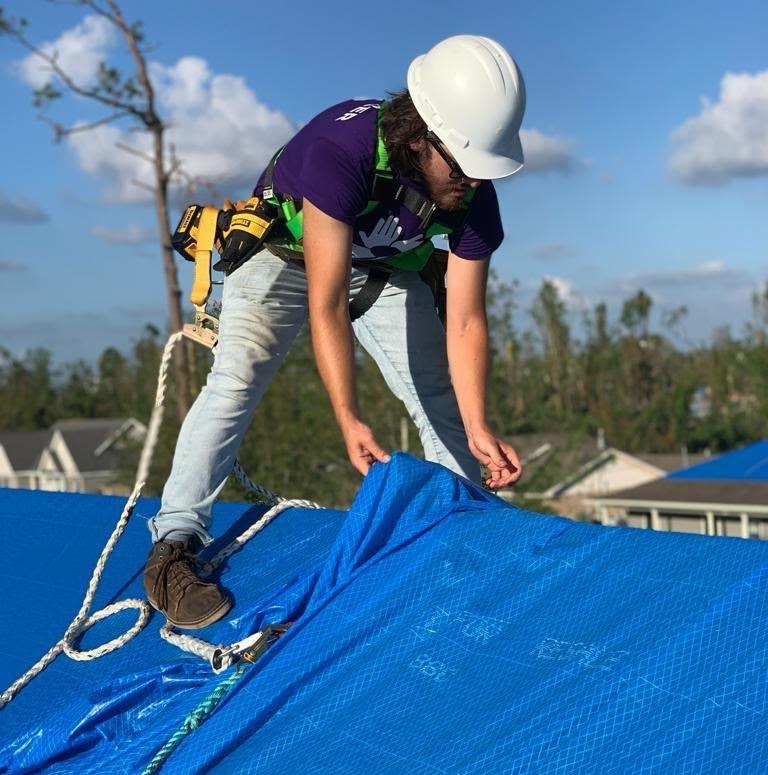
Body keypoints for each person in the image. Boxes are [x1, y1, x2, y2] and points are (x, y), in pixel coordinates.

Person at [144, 34, 527, 629]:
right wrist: (347, 418)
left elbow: (468, 317)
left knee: (440, 398)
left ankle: (469, 534)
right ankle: (173, 546)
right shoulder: (341, 149)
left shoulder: (471, 193)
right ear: (420, 137)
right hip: (289, 254)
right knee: (238, 376)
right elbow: (325, 303)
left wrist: (481, 426)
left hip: (376, 268)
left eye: (482, 170)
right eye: (463, 167)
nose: (473, 184)